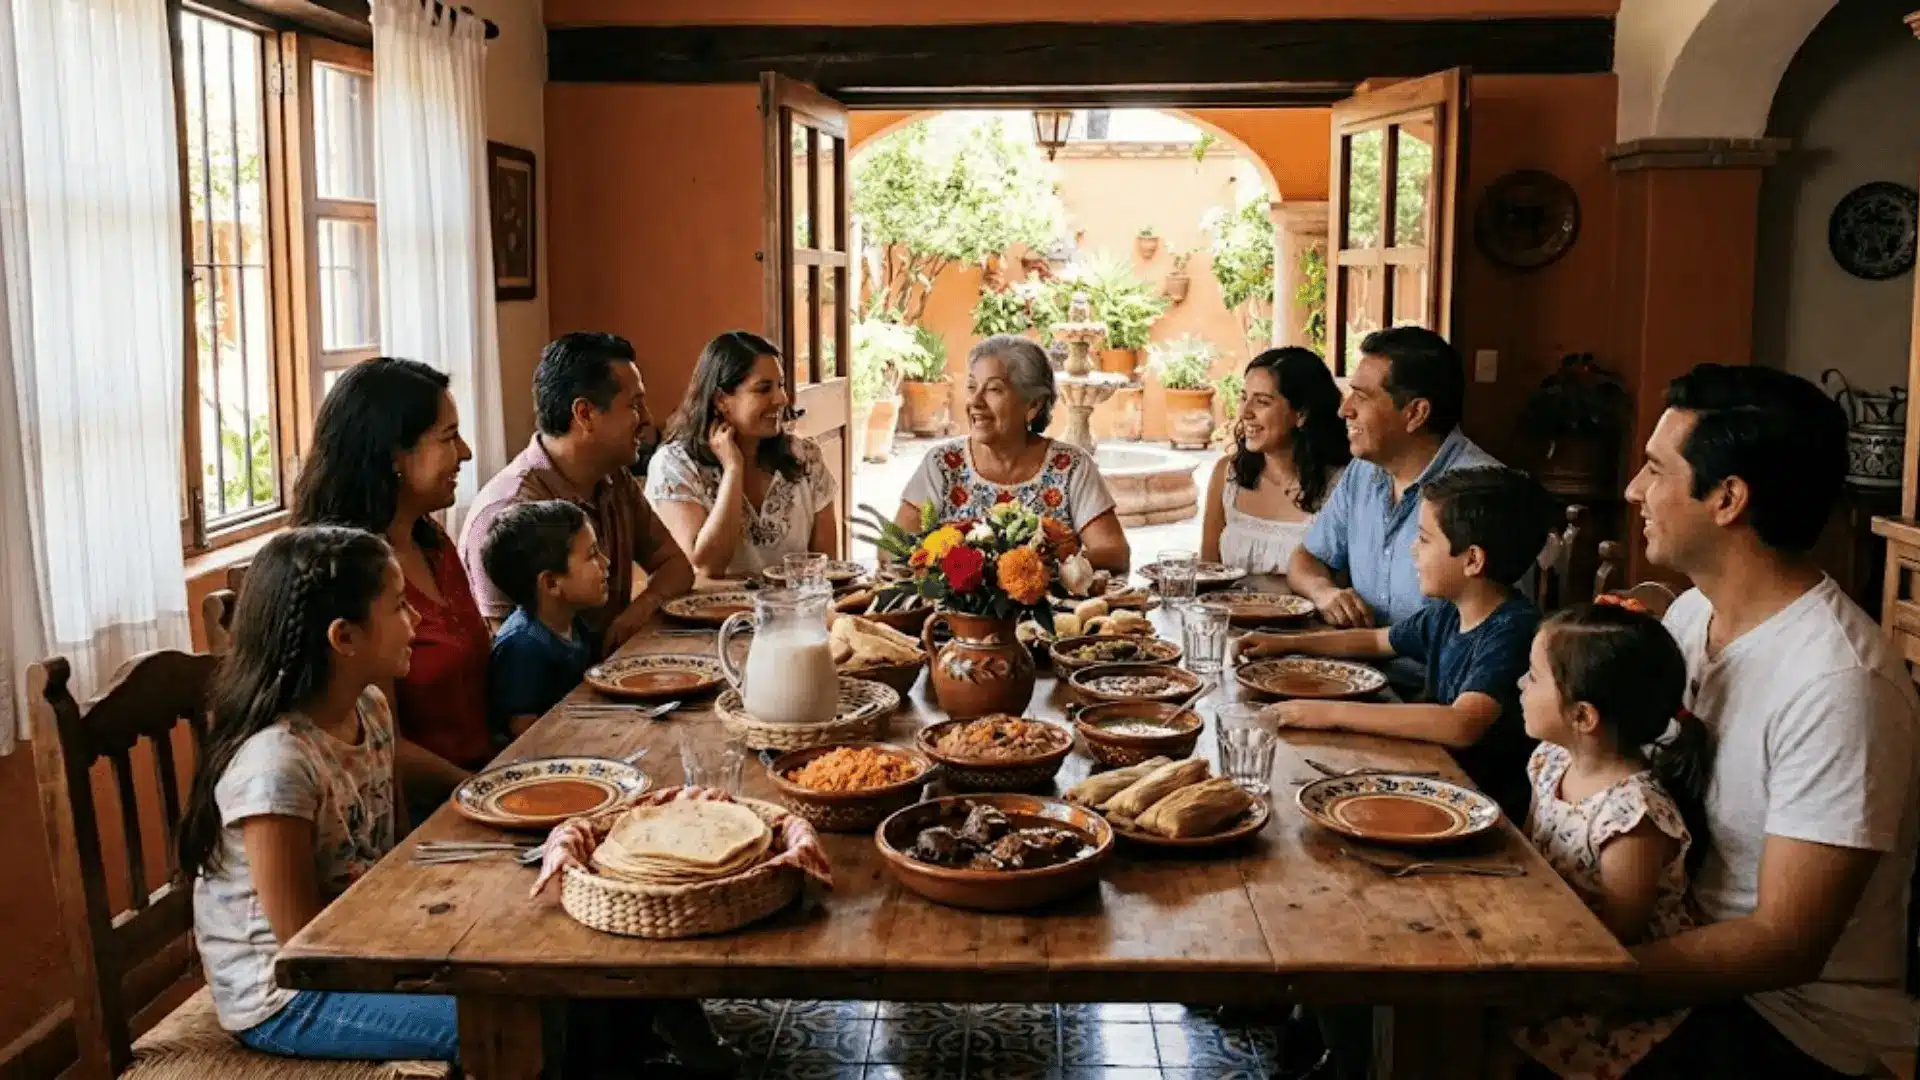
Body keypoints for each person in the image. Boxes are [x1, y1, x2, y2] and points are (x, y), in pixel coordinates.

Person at [1614, 364, 1920, 1079]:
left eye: (1655, 469)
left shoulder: (1840, 681)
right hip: (1683, 962)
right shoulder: (1693, 613)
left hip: (1791, 1023)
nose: (1633, 490)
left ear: (1727, 499)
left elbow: (1787, 942)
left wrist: (1583, 973)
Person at [180, 526, 458, 1063]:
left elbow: (391, 857)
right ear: (344, 638)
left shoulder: (371, 709)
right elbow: (302, 947)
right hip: (289, 995)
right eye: (399, 607)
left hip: (359, 945)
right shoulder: (276, 766)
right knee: (502, 1016)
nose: (416, 621)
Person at [1243, 466, 1553, 818]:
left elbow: (1461, 724)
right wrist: (1280, 645)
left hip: (1481, 810)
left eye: (1423, 539)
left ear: (1472, 560)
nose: (1412, 549)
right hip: (1437, 780)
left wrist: (1326, 713)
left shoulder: (1513, 630)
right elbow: (1375, 641)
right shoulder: (1449, 612)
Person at [1508, 600, 1711, 1080]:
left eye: (1533, 677)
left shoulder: (1632, 817)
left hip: (1605, 1003)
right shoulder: (1550, 760)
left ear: (1582, 716)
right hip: (1549, 944)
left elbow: (1617, 940)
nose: (1521, 684)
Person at [292, 359, 489, 801]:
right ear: (393, 455)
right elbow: (384, 748)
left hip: (483, 778)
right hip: (423, 809)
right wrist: (485, 790)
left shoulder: (433, 541)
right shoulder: (348, 578)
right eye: (448, 437)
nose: (466, 453)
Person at [460, 332, 694, 650]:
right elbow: (516, 654)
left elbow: (676, 567)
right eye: (634, 405)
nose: (648, 419)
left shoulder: (615, 477)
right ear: (584, 414)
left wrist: (632, 616)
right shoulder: (509, 512)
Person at [1288, 326, 1501, 630]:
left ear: (1416, 413)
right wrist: (1324, 593)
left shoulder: (1481, 490)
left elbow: (1485, 634)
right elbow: (1307, 558)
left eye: (1361, 397)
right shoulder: (1363, 471)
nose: (1344, 409)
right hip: (1358, 664)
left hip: (1434, 677)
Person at [895, 334, 1130, 573]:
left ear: (1033, 405)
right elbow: (893, 548)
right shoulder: (943, 464)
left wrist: (1034, 569)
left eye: (994, 389)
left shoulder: (1070, 466)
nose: (975, 401)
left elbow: (1113, 553)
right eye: (972, 387)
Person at [645, 330, 838, 579]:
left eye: (780, 385)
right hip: (713, 617)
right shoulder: (674, 466)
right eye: (763, 389)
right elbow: (706, 568)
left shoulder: (805, 458)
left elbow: (828, 570)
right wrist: (733, 470)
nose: (782, 399)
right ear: (721, 400)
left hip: (795, 614)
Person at [1199, 346, 1350, 574]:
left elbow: (1344, 585)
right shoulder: (1227, 474)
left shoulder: (1343, 486)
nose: (1245, 412)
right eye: (1244, 398)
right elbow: (1207, 573)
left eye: (1262, 401)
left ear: (1302, 414)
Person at [481, 500, 610, 739]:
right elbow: (525, 733)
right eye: (592, 555)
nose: (605, 563)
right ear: (551, 583)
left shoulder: (572, 623)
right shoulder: (522, 647)